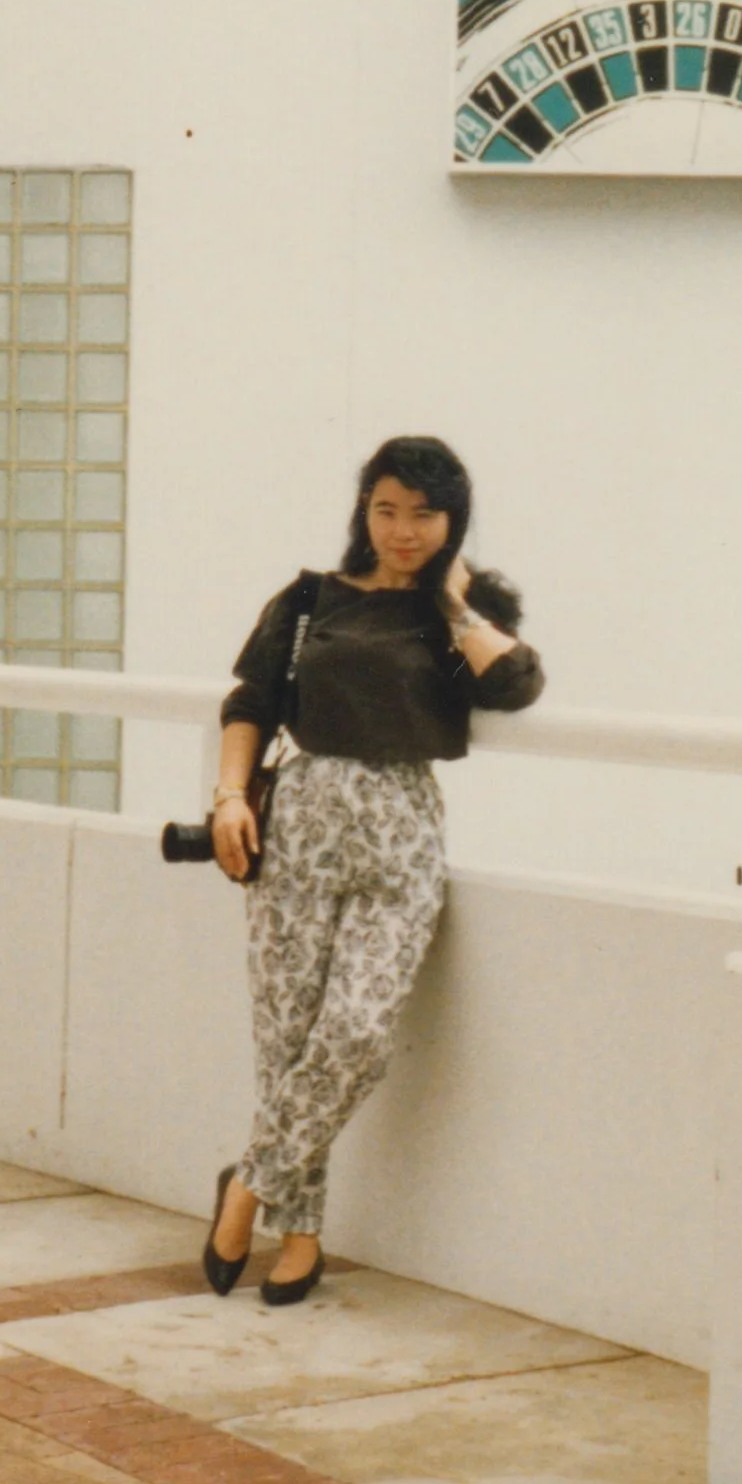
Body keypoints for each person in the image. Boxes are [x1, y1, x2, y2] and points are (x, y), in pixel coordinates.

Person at [203, 433, 545, 1304]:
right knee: (288, 1035)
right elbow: (250, 700)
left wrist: (453, 601)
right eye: (386, 510)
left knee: (355, 1031)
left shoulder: (457, 613)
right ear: (364, 510)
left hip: (401, 825)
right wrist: (231, 797)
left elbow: (514, 686)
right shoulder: (311, 599)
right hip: (301, 820)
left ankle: (246, 1186)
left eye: (424, 515)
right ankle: (302, 1234)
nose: (403, 530)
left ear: (453, 520)